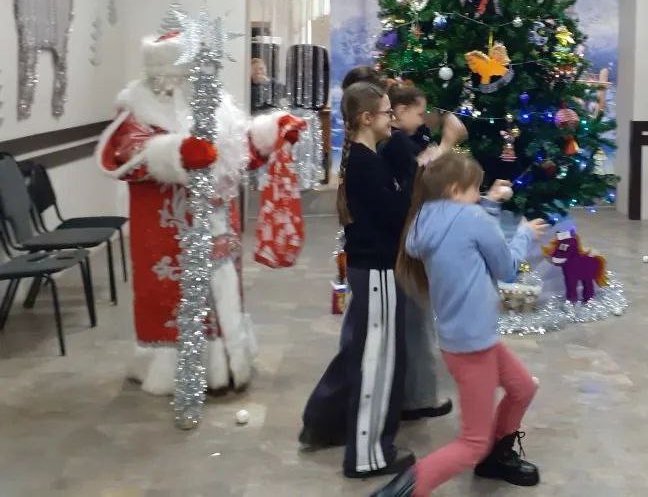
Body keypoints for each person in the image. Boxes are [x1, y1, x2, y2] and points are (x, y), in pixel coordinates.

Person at [96, 28, 302, 394]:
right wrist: (174, 152)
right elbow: (125, 153)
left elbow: (239, 150)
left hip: (220, 223)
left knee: (223, 293)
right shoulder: (138, 108)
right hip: (170, 230)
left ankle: (226, 364)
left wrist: (271, 131)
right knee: (180, 300)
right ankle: (185, 371)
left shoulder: (217, 104)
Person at [372, 152, 549, 497]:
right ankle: (403, 490)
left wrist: (489, 203)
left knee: (523, 388)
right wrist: (524, 234)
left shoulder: (424, 218)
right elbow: (507, 268)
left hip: (464, 337)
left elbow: (466, 233)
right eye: (474, 189)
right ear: (455, 190)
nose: (477, 196)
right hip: (474, 343)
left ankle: (497, 458)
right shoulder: (471, 218)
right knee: (472, 443)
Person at [300, 81, 414, 479]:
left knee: (370, 355)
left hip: (375, 270)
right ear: (367, 118)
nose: (392, 120)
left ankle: (332, 427)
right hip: (377, 271)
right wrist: (411, 173)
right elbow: (396, 214)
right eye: (386, 113)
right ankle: (368, 455)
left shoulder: (366, 158)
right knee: (377, 363)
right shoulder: (366, 163)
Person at [380, 82, 455, 422]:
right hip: (404, 243)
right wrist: (448, 143)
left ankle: (416, 393)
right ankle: (419, 398)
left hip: (407, 239)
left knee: (417, 318)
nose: (424, 119)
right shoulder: (396, 143)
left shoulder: (405, 138)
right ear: (399, 112)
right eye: (419, 112)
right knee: (416, 320)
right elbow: (422, 177)